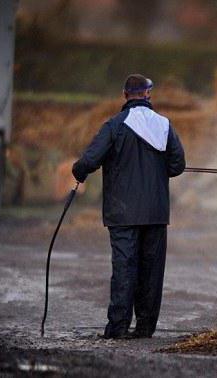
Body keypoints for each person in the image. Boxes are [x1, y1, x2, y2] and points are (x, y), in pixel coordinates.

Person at [72, 74, 186, 339]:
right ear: (148, 95)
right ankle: (145, 328)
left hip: (122, 213)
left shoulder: (114, 126)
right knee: (151, 270)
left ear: (125, 96)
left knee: (125, 267)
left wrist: (78, 173)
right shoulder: (165, 125)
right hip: (156, 212)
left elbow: (89, 161)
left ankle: (118, 327)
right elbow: (178, 165)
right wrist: (157, 172)